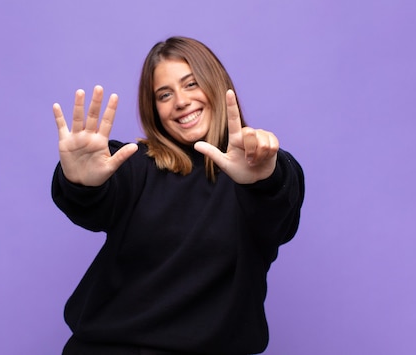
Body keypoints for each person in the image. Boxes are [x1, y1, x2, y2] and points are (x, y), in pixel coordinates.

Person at [51, 36, 305, 355]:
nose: (181, 101)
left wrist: (265, 174)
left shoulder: (264, 173)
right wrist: (80, 181)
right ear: (154, 109)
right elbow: (93, 203)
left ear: (216, 84)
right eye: (165, 94)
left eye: (191, 84)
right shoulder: (134, 164)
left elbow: (279, 210)